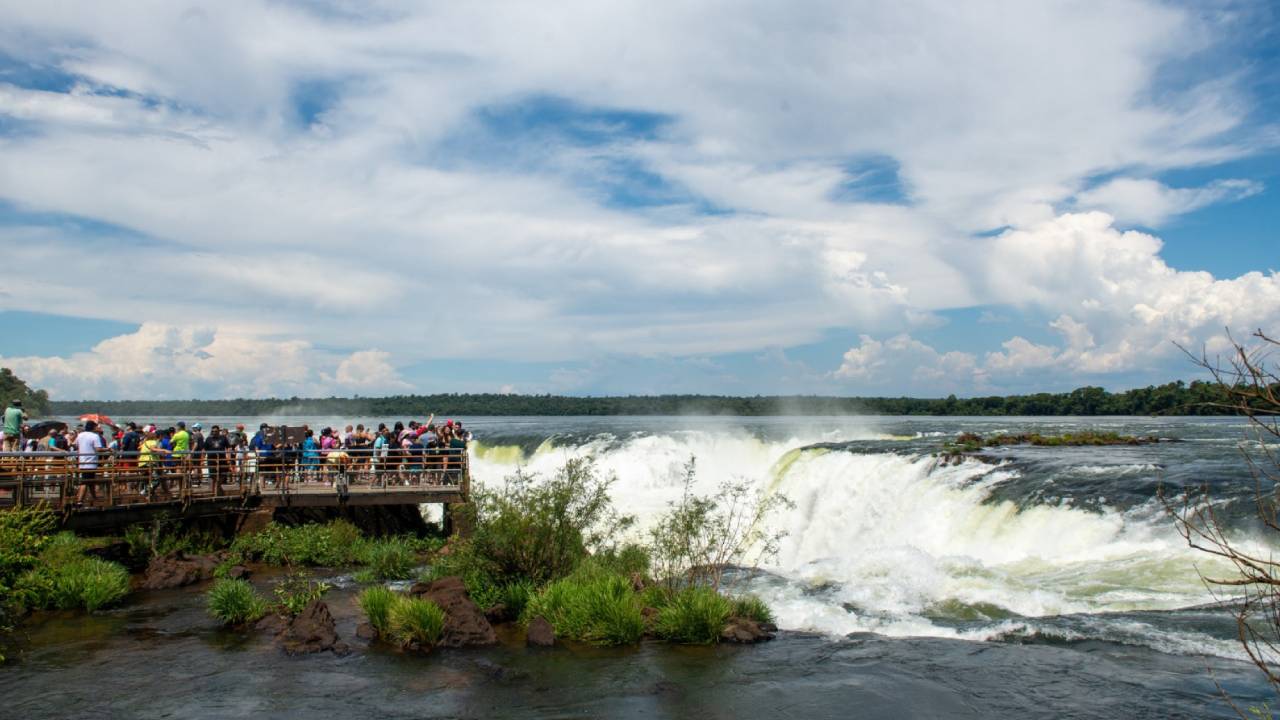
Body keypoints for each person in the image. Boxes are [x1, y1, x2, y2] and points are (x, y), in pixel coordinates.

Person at [73, 420, 105, 505]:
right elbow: (98, 449)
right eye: (96, 426)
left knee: (90, 481)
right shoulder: (95, 436)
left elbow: (75, 445)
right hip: (91, 462)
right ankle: (79, 501)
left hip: (82, 461)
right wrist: (108, 449)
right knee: (85, 482)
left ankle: (94, 498)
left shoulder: (80, 435)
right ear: (93, 427)